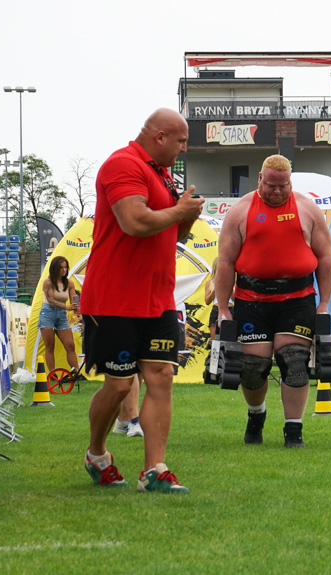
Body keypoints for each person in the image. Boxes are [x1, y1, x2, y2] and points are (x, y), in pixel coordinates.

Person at [80, 109, 204, 492]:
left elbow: (173, 234)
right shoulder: (123, 164)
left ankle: (155, 470)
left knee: (162, 376)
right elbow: (133, 222)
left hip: (159, 297)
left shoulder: (163, 175)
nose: (184, 149)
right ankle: (97, 454)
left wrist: (185, 216)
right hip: (114, 297)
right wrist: (178, 210)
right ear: (160, 136)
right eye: (181, 141)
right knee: (119, 385)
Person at [215, 154, 331, 448]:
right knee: (253, 367)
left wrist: (324, 304)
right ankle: (257, 414)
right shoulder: (240, 212)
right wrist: (221, 308)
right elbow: (225, 262)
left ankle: (293, 430)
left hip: (297, 298)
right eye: (271, 186)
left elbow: (326, 259)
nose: (278, 192)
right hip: (251, 298)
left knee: (294, 361)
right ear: (260, 179)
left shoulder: (307, 210)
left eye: (283, 186)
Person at [39, 255, 81, 374]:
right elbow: (51, 300)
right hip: (48, 313)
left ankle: (76, 372)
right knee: (50, 346)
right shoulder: (47, 282)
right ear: (55, 268)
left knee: (70, 345)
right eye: (61, 267)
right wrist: (67, 307)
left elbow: (74, 298)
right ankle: (52, 374)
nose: (64, 270)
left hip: (61, 315)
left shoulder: (69, 283)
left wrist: (76, 307)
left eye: (65, 267)